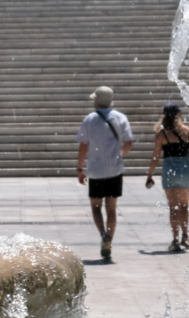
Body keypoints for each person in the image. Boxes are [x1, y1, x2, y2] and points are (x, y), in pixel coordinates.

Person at [76, 86, 134, 260]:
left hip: (95, 170)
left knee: (95, 207)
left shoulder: (89, 119)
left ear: (96, 101)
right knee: (112, 209)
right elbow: (129, 142)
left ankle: (103, 234)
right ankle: (110, 238)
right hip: (115, 170)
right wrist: (118, 155)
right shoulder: (120, 117)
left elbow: (83, 145)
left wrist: (80, 168)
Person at [144, 102, 189, 251]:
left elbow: (155, 156)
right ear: (179, 115)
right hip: (186, 170)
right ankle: (185, 237)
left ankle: (174, 240)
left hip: (169, 171)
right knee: (184, 206)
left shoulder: (161, 135)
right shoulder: (188, 132)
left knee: (173, 207)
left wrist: (150, 175)